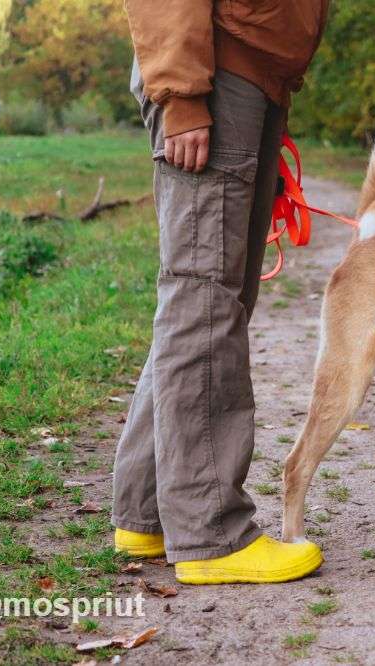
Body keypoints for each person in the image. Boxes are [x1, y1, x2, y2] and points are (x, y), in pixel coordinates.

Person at [110, 0, 329, 585]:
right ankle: (209, 532)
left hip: (245, 77)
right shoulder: (200, 81)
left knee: (212, 304)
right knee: (203, 300)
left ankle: (149, 512)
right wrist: (182, 95)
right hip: (211, 74)